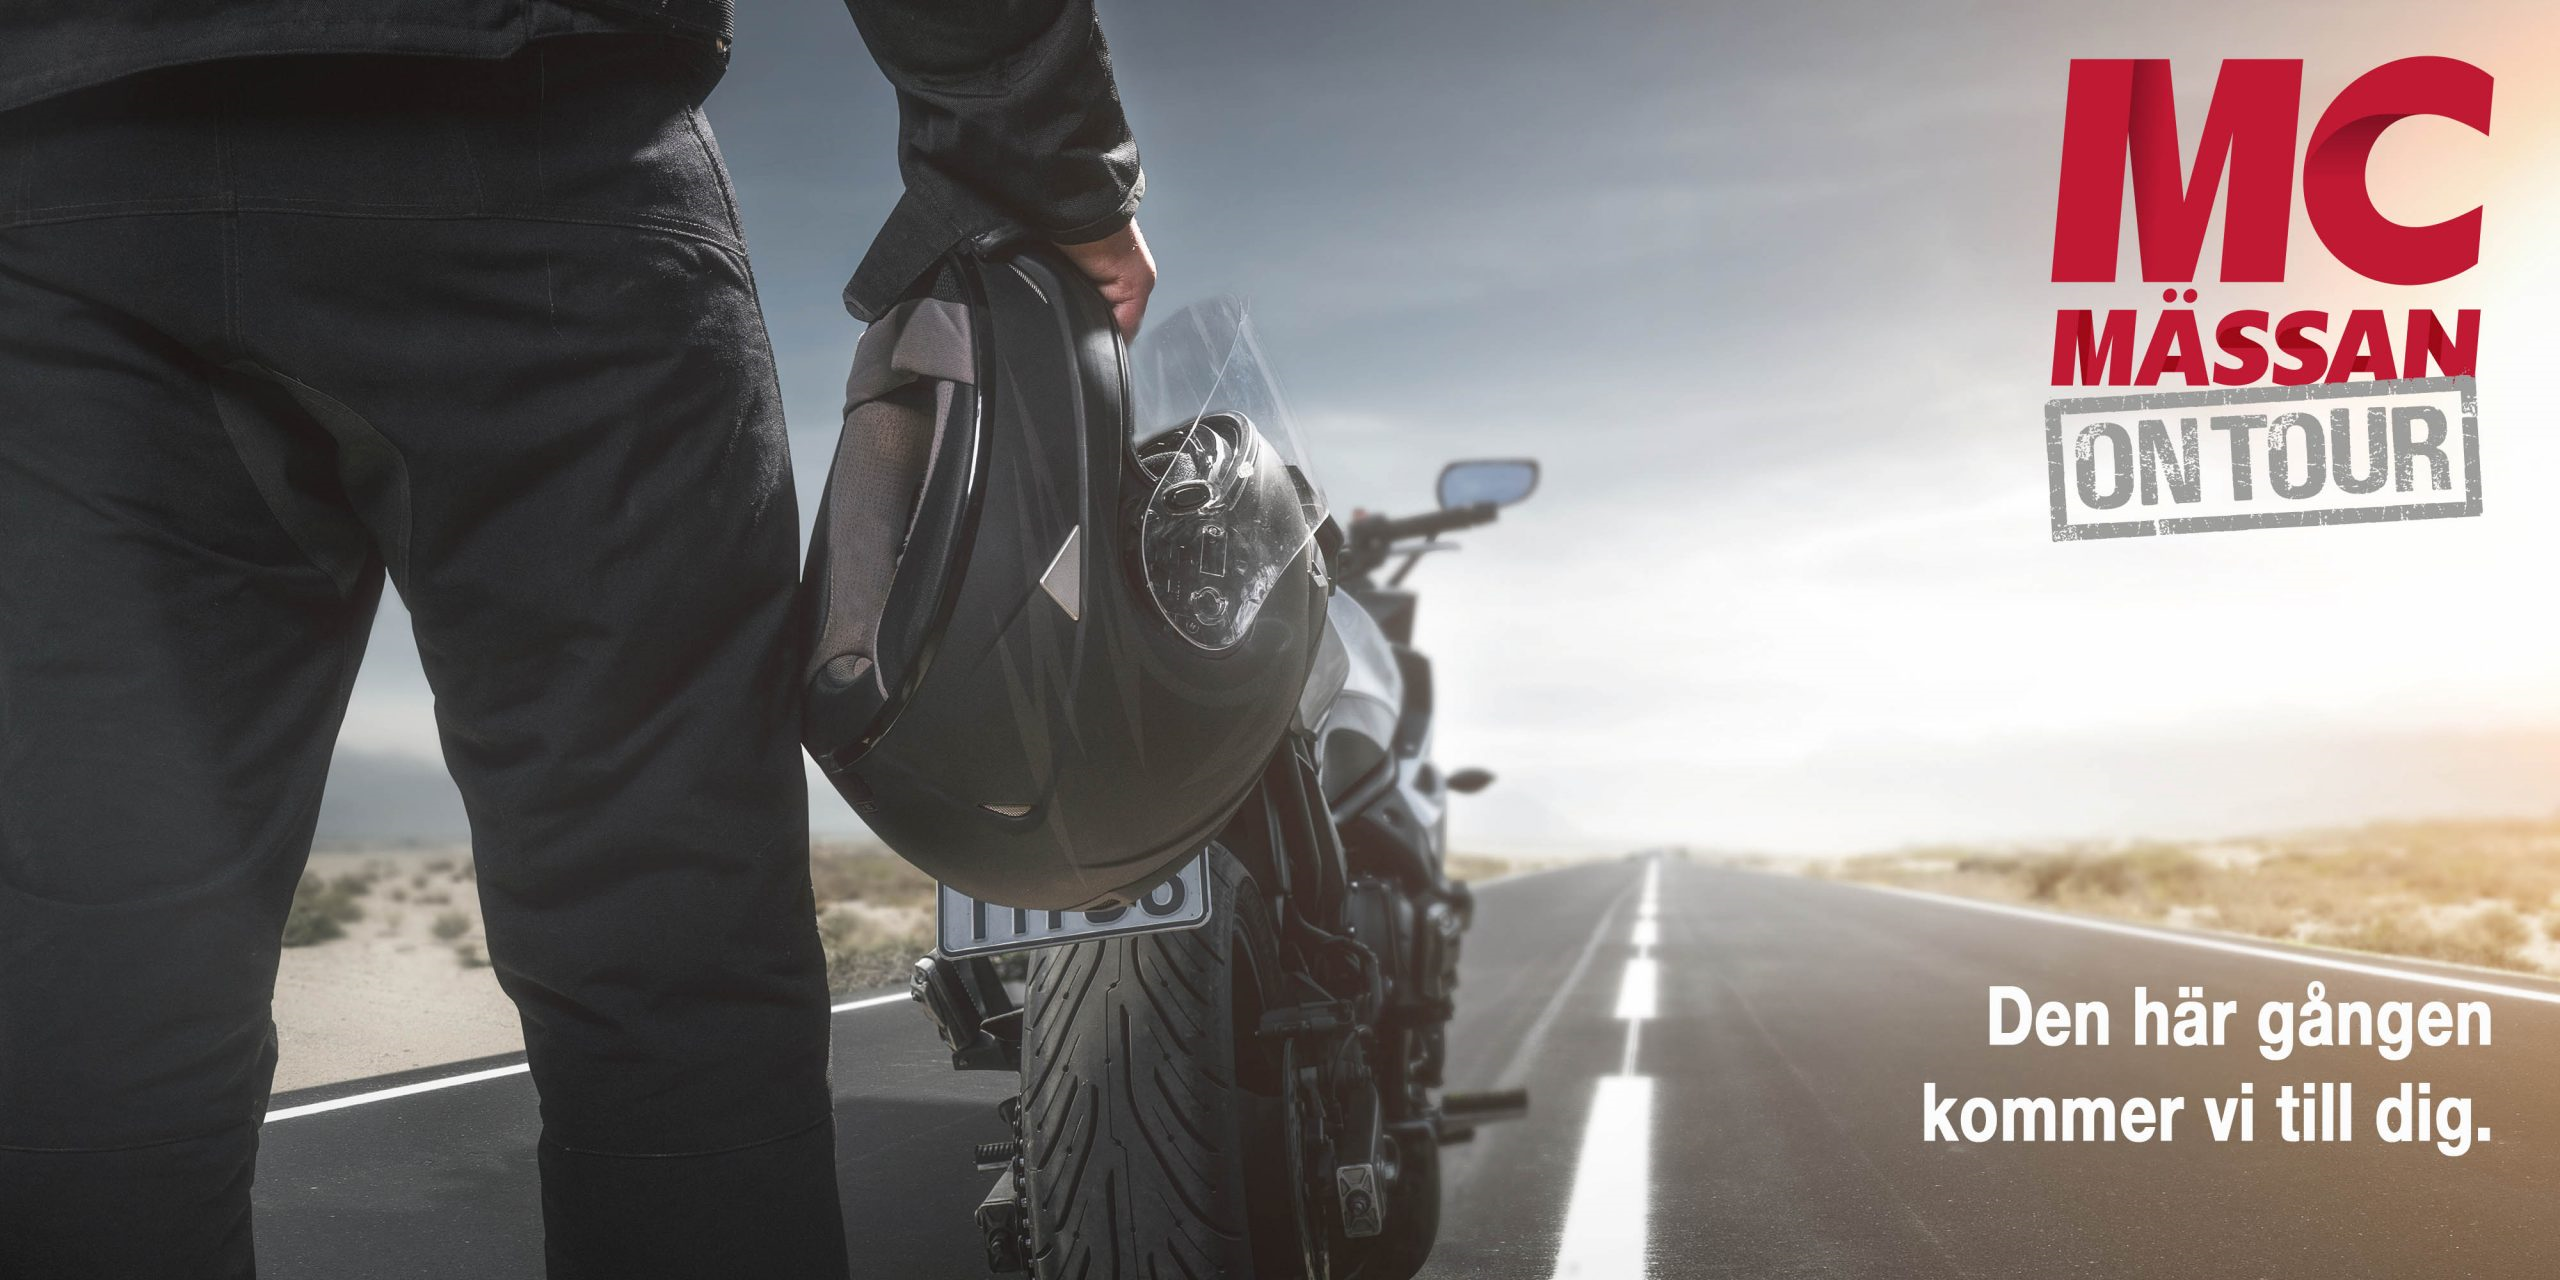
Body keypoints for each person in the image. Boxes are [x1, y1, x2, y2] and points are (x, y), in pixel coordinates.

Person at [0, 3, 1155, 1277]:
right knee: (663, 948)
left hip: (61, 192)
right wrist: (1045, 166)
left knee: (95, 974)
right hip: (545, 147)